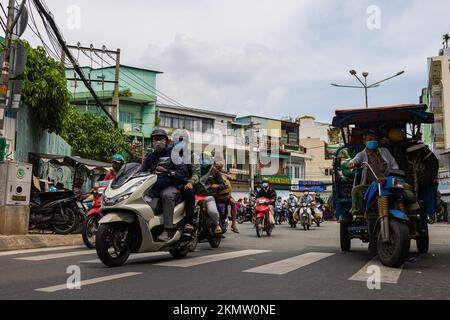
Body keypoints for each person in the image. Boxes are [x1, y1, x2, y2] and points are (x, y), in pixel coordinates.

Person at [345, 131, 420, 223]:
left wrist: (393, 175)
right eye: (370, 140)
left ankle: (413, 216)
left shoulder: (384, 151)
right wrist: (352, 163)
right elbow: (356, 160)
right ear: (364, 141)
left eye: (375, 139)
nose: (373, 141)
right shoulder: (361, 154)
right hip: (371, 185)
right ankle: (359, 215)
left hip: (390, 182)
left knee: (408, 191)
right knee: (356, 190)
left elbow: (394, 165)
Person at [141, 128, 190, 241]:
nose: (157, 141)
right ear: (152, 142)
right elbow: (142, 171)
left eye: (160, 139)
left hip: (172, 187)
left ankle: (167, 230)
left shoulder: (174, 154)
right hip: (154, 189)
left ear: (166, 141)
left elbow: (183, 172)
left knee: (166, 195)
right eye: (155, 139)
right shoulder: (150, 156)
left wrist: (168, 172)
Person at [172, 129, 200, 231]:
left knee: (190, 192)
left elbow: (196, 174)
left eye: (182, 139)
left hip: (185, 184)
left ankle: (189, 221)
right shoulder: (169, 153)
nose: (179, 142)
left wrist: (190, 182)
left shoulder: (192, 155)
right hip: (169, 182)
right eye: (177, 139)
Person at [195, 151, 227, 234]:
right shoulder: (196, 169)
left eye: (206, 158)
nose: (204, 160)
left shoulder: (215, 172)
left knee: (212, 211)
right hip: (195, 196)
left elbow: (223, 185)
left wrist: (216, 186)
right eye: (202, 158)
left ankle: (217, 225)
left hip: (208, 196)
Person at [214, 159, 239, 233]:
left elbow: (231, 177)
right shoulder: (212, 171)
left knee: (233, 203)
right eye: (218, 165)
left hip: (227, 195)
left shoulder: (223, 172)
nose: (220, 167)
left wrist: (222, 174)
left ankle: (234, 224)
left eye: (221, 166)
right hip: (215, 195)